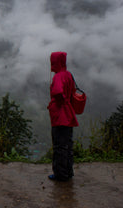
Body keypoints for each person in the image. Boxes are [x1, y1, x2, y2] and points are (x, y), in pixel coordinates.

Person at [47, 51, 78, 181]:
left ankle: (60, 174)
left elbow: (58, 92)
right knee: (68, 145)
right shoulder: (68, 74)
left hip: (60, 115)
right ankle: (68, 172)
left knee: (59, 146)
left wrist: (58, 102)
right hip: (69, 114)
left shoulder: (58, 76)